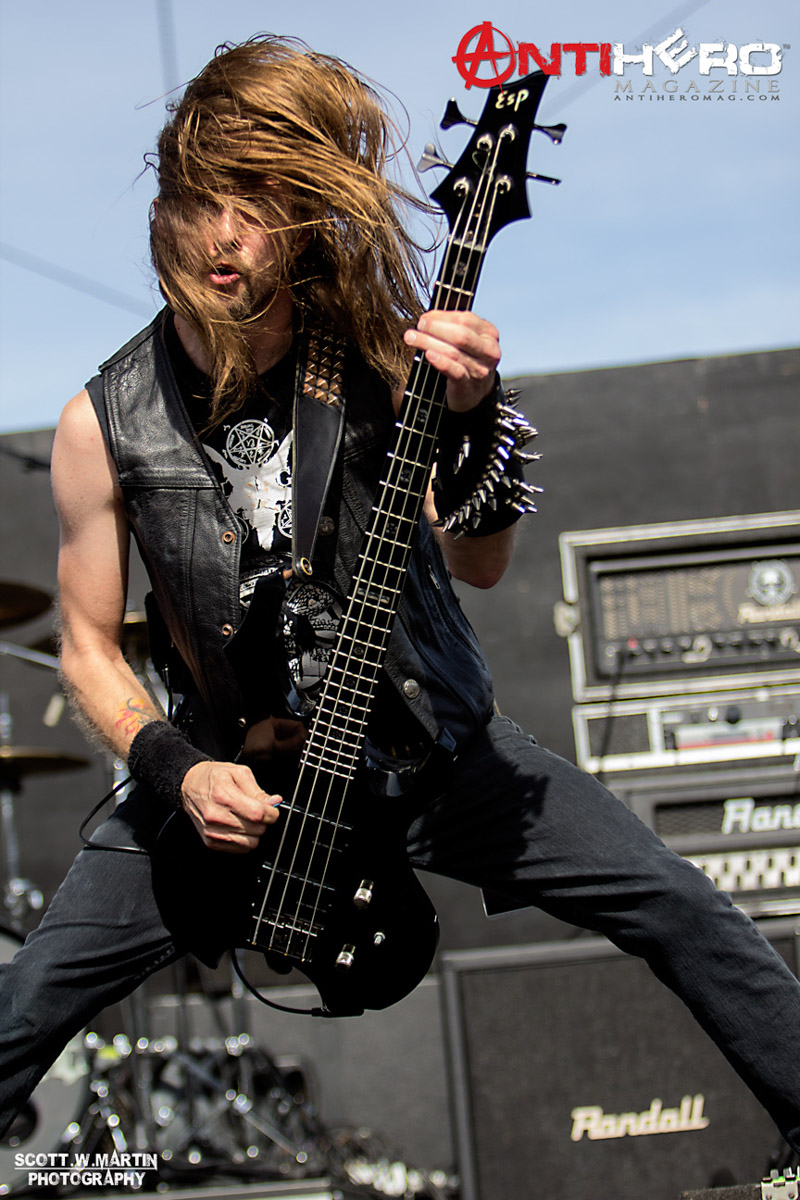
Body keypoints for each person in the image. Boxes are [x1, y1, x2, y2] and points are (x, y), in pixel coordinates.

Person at [1, 35, 800, 1158]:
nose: (226, 236)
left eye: (259, 205)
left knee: (678, 904)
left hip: (427, 746)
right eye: (202, 202)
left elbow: (481, 563)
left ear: (300, 216)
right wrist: (179, 772)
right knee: (26, 1004)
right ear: (160, 212)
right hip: (232, 772)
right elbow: (87, 645)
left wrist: (473, 415)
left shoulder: (374, 357)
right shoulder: (106, 421)